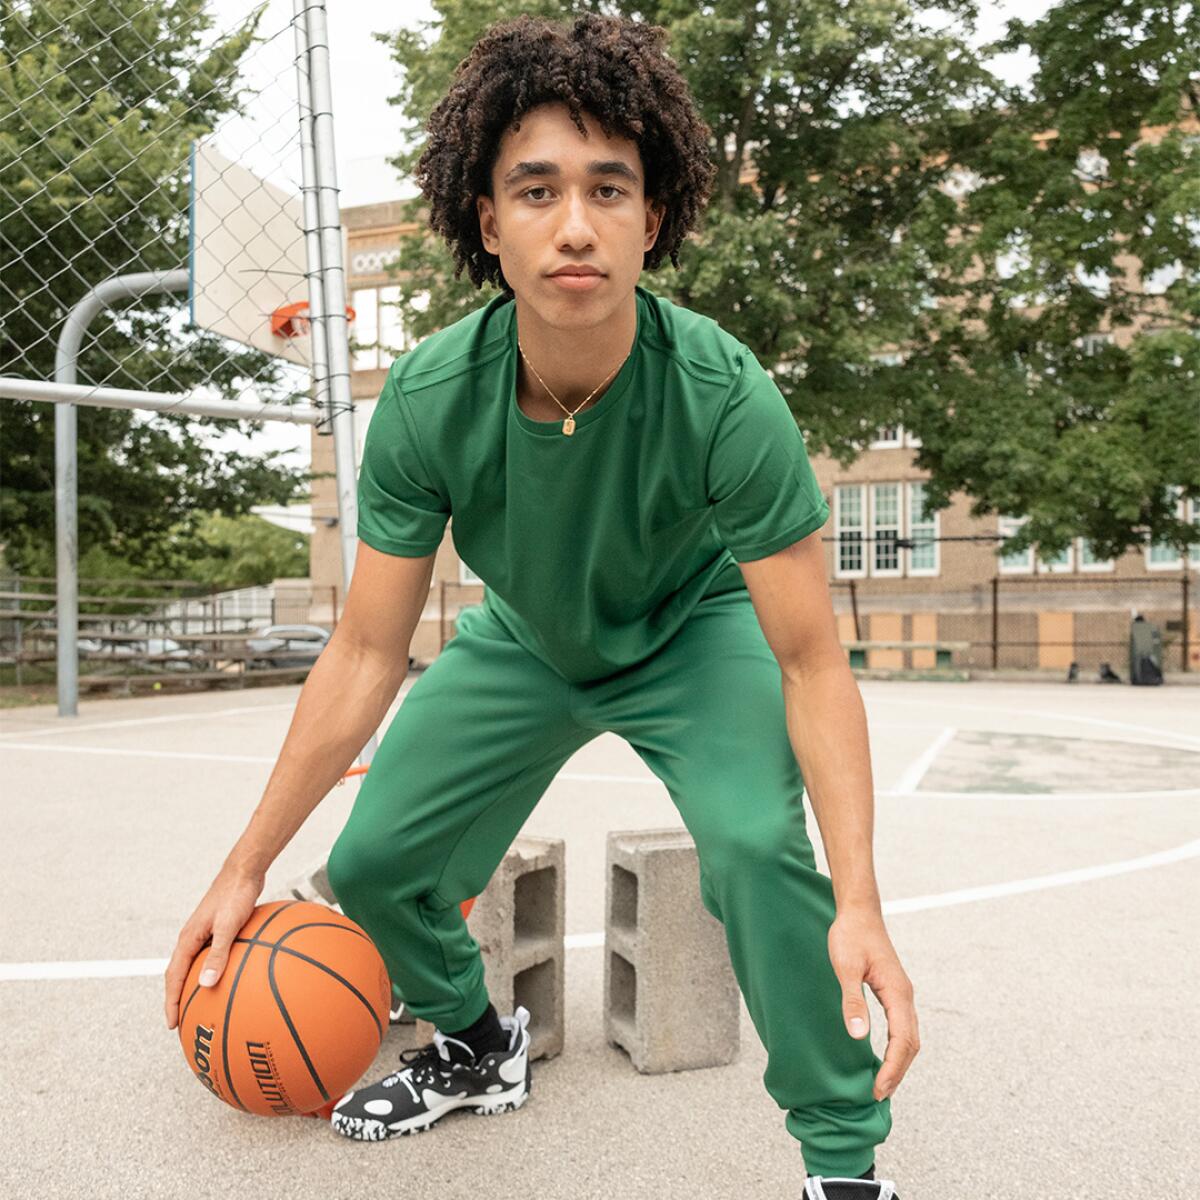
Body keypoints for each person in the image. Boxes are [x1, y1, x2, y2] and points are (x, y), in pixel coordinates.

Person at [164, 13, 919, 1197]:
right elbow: (366, 650)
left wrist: (863, 901)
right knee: (370, 863)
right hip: (524, 636)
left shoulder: (725, 395)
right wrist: (242, 866)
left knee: (752, 849)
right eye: (537, 190)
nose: (576, 225)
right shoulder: (423, 402)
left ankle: (841, 1161)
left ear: (652, 219)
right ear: (488, 222)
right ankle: (474, 1045)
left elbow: (814, 662)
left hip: (690, 630)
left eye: (609, 189)